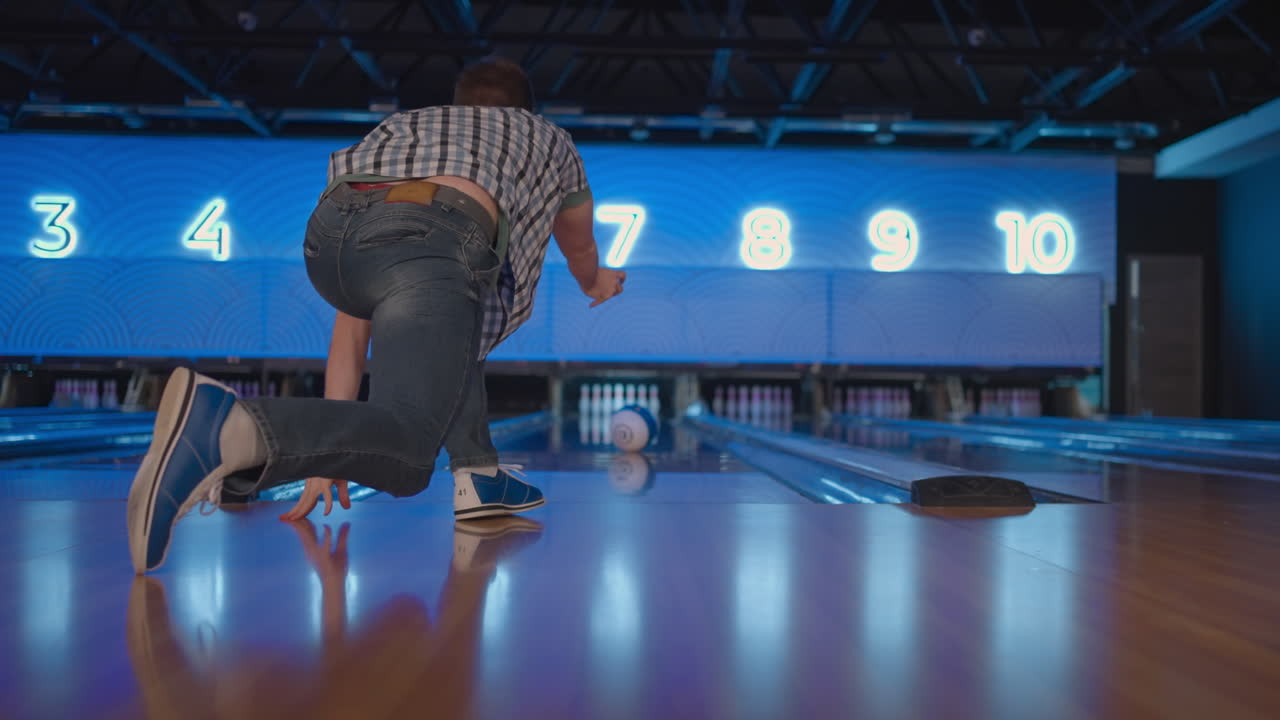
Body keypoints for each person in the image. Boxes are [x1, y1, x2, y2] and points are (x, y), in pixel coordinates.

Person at [126, 57, 626, 574]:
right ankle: (225, 428)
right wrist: (597, 281)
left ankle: (476, 474)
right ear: (527, 110)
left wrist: (329, 453)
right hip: (436, 233)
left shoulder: (405, 127)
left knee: (455, 322)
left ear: (457, 105)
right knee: (408, 455)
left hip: (330, 242)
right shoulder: (548, 137)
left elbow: (352, 329)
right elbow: (579, 245)